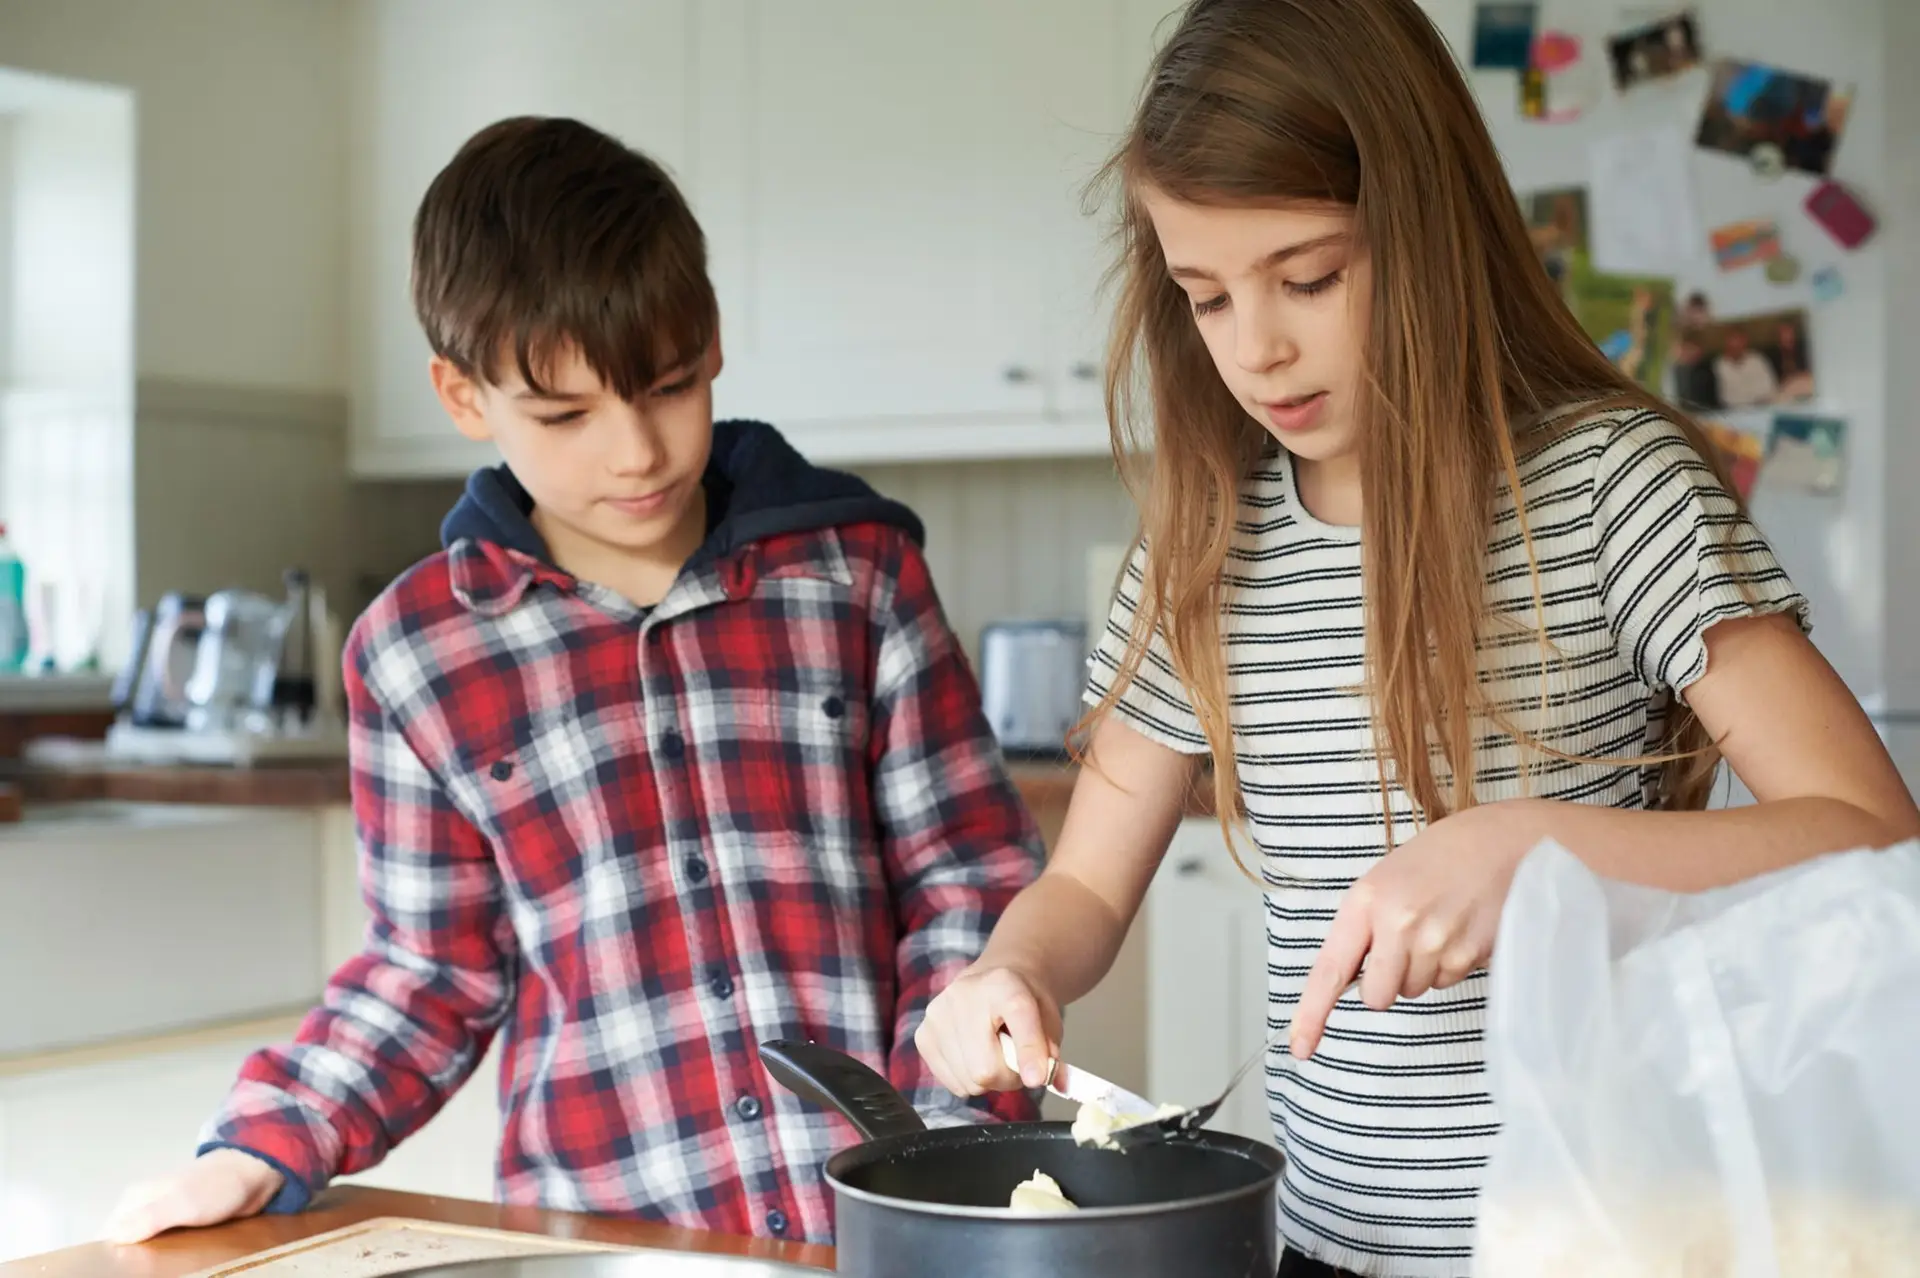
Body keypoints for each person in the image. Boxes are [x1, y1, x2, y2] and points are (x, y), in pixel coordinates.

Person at [911, 3, 1920, 1276]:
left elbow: (1872, 839)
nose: (1258, 347)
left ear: (1429, 226)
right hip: (1327, 1246)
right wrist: (1009, 973)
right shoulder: (1204, 543)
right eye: (1207, 296)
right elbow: (1086, 887)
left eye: (1312, 276)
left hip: (1605, 1241)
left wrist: (1534, 850)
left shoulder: (1611, 489)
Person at [105, 116, 1041, 1248]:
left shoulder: (858, 574)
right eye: (565, 416)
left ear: (713, 343)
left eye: (669, 386)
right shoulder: (414, 655)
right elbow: (428, 973)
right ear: (464, 398)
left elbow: (967, 873)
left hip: (886, 1227)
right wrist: (267, 1138)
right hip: (600, 1237)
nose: (637, 450)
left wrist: (931, 1142)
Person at [1714, 327, 1782, 407]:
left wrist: (1755, 398)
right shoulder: (1718, 365)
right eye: (1732, 340)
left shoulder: (1758, 359)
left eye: (1740, 340)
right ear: (1726, 342)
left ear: (1745, 342)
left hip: (1764, 406)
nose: (1736, 345)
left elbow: (1770, 387)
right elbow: (1726, 397)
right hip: (1734, 412)